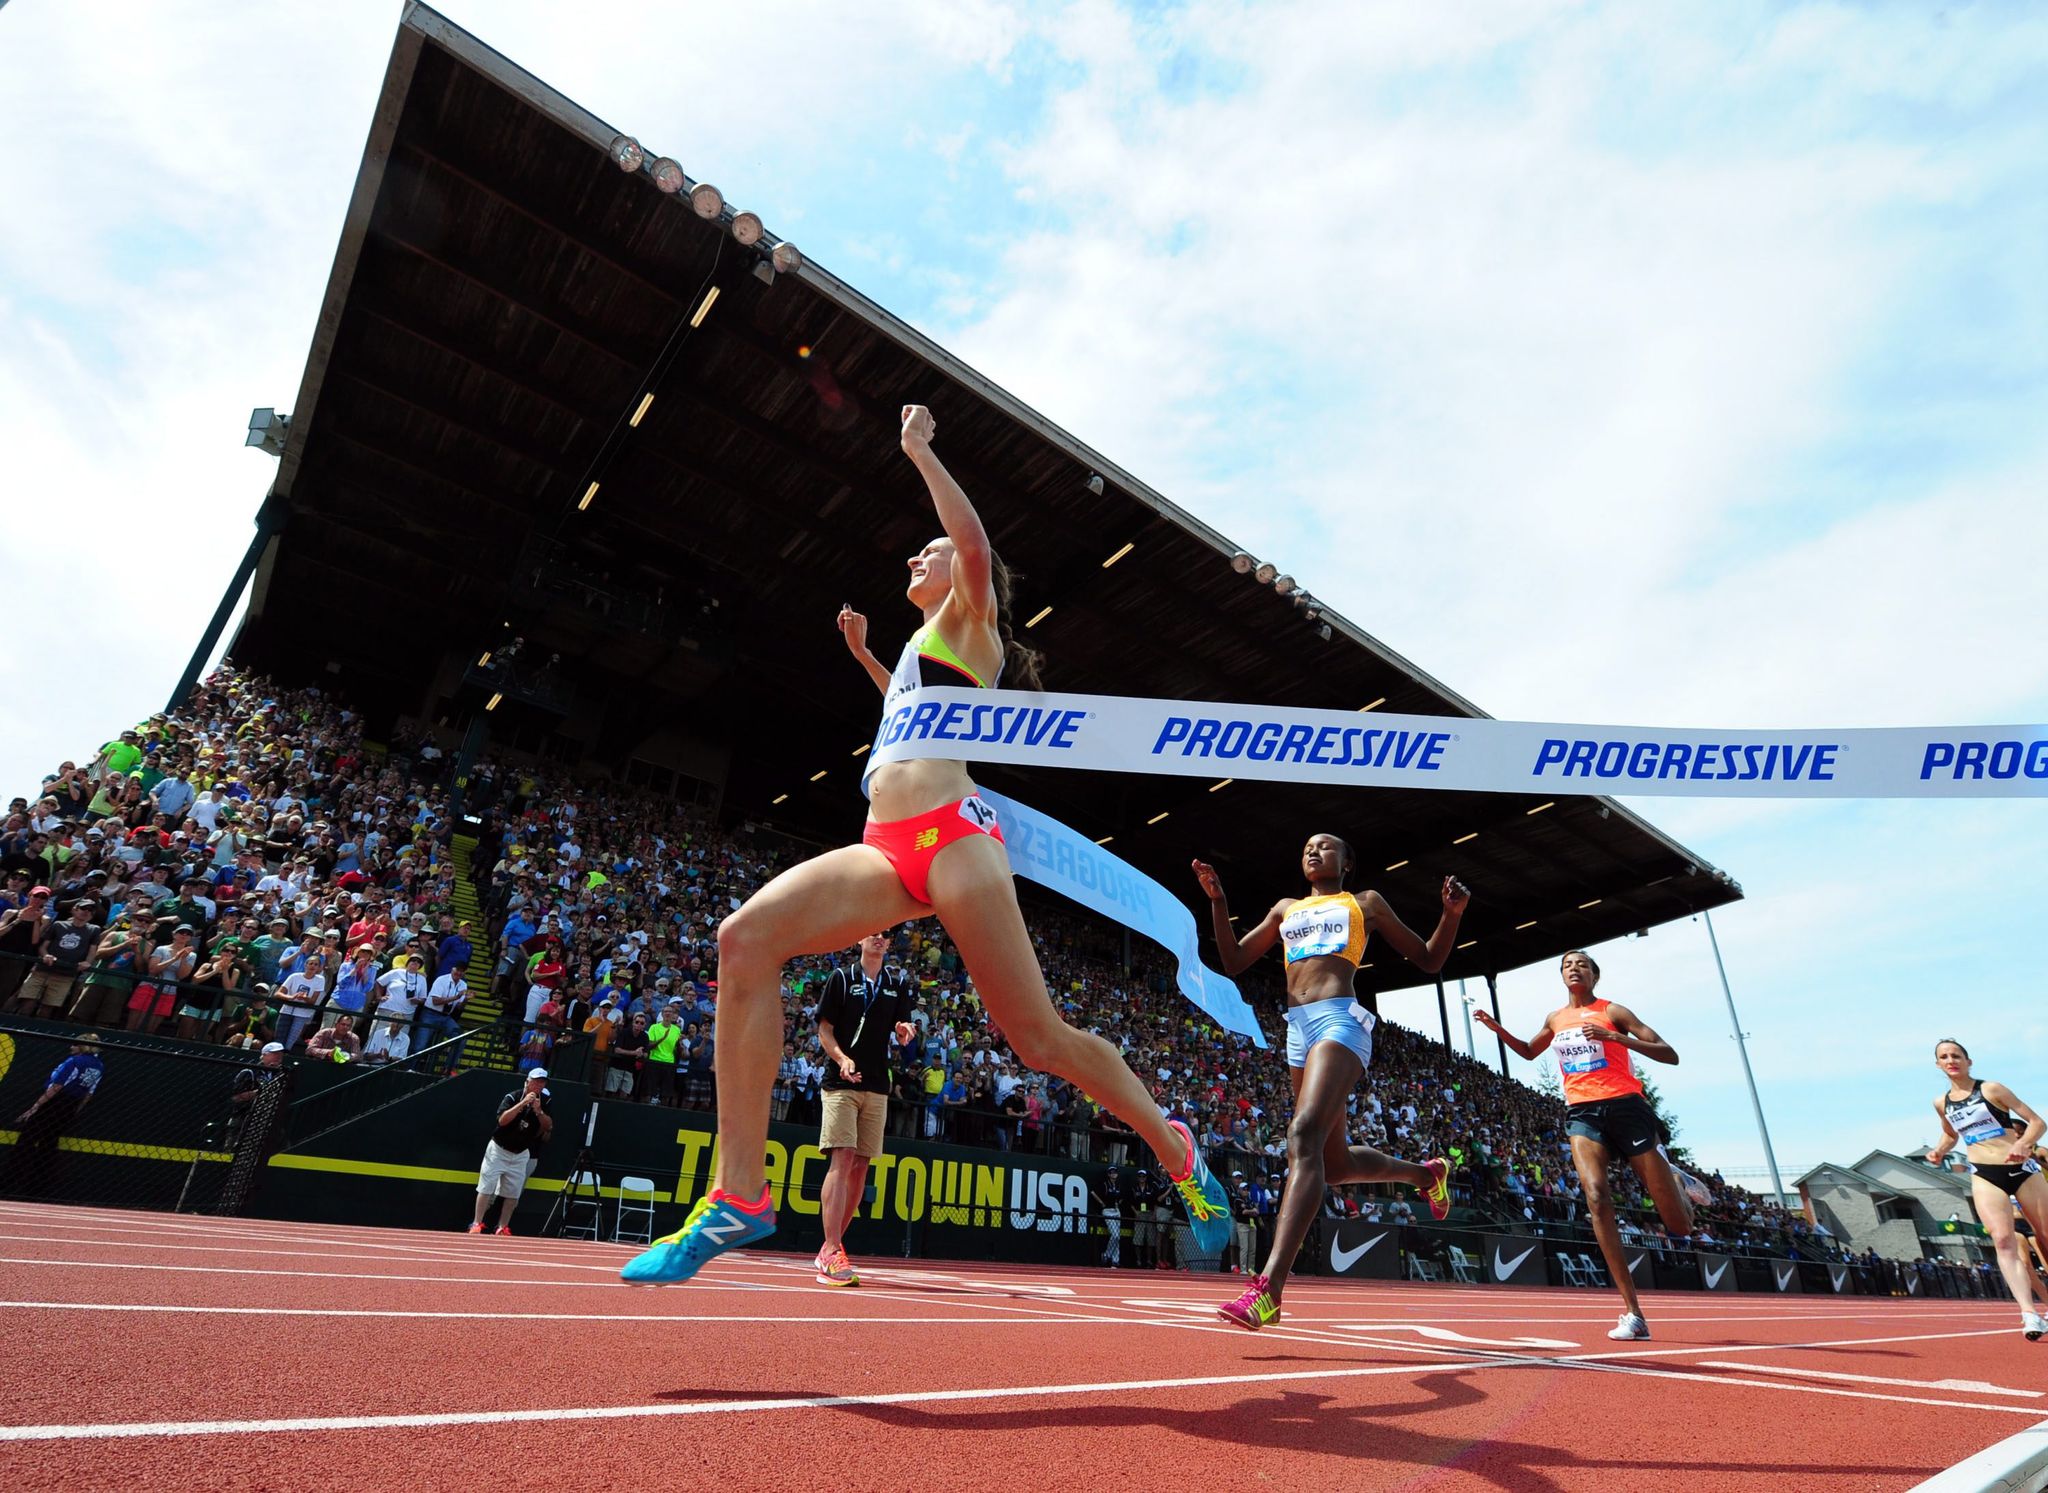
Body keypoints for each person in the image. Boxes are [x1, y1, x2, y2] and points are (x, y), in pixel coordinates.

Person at [623, 406, 1229, 1286]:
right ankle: (740, 1193)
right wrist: (872, 660)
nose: (919, 556)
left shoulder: (974, 619)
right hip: (884, 843)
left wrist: (920, 451)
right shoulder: (922, 649)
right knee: (742, 938)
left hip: (954, 840)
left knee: (1040, 1041)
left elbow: (973, 549)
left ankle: (1174, 1148)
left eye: (927, 551)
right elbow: (905, 723)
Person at [1199, 835, 1463, 1331]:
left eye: (1326, 847)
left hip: (1340, 1021)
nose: (1314, 852)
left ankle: (1268, 1289)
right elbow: (1233, 960)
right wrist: (1219, 903)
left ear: (1347, 863)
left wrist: (1450, 915)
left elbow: (1428, 959)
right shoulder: (1285, 909)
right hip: (1297, 1029)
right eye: (1307, 848)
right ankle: (1426, 1175)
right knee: (1334, 1163)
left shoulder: (1365, 903)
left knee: (1302, 1137)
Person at [1475, 949, 1710, 1341]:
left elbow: (1670, 1055)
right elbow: (1530, 1052)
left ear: (1594, 976)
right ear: (1562, 977)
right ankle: (1633, 1313)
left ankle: (1673, 1176)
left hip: (1627, 1107)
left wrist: (1614, 1037)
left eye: (1581, 963)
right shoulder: (1556, 1018)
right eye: (1567, 965)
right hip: (1582, 1112)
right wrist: (1497, 1029)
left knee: (1679, 1225)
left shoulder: (1613, 1011)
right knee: (1597, 1198)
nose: (1573, 968)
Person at [812, 931, 917, 1286]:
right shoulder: (841, 978)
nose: (880, 938)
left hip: (877, 1083)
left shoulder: (897, 982)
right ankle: (830, 1247)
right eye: (874, 933)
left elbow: (901, 1025)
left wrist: (903, 1030)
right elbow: (824, 1029)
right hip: (842, 1081)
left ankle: (833, 1247)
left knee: (861, 1165)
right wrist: (841, 1058)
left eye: (886, 935)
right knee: (841, 1158)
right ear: (859, 939)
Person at [1926, 1039, 2048, 1340]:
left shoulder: (1992, 1089)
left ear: (1968, 1061)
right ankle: (2030, 1314)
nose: (1951, 1060)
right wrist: (1939, 1152)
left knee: (2045, 1237)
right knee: (2003, 1240)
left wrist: (2023, 1143)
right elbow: (1950, 1134)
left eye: (1956, 1055)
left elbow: (2037, 1123)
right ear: (1938, 1065)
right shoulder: (1941, 1102)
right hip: (1984, 1172)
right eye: (1944, 1057)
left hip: (2021, 1169)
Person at [3, 1032, 105, 1194]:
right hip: (70, 1106)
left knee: (26, 1141)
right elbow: (89, 1093)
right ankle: (38, 1187)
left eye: (74, 1044)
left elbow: (56, 1086)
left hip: (54, 1103)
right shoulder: (99, 1065)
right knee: (49, 1144)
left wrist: (35, 1107)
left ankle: (10, 1182)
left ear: (81, 1046)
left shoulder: (74, 1061)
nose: (71, 1047)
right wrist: (74, 1110)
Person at [469, 1069, 553, 1235]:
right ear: (528, 1081)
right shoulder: (512, 1097)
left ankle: (503, 1227)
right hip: (499, 1149)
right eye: (535, 1081)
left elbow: (548, 1126)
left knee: (513, 1192)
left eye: (542, 1082)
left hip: (521, 1152)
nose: (538, 1085)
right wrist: (522, 1104)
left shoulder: (546, 1101)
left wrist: (539, 1111)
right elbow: (502, 1120)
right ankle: (477, 1223)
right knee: (486, 1186)